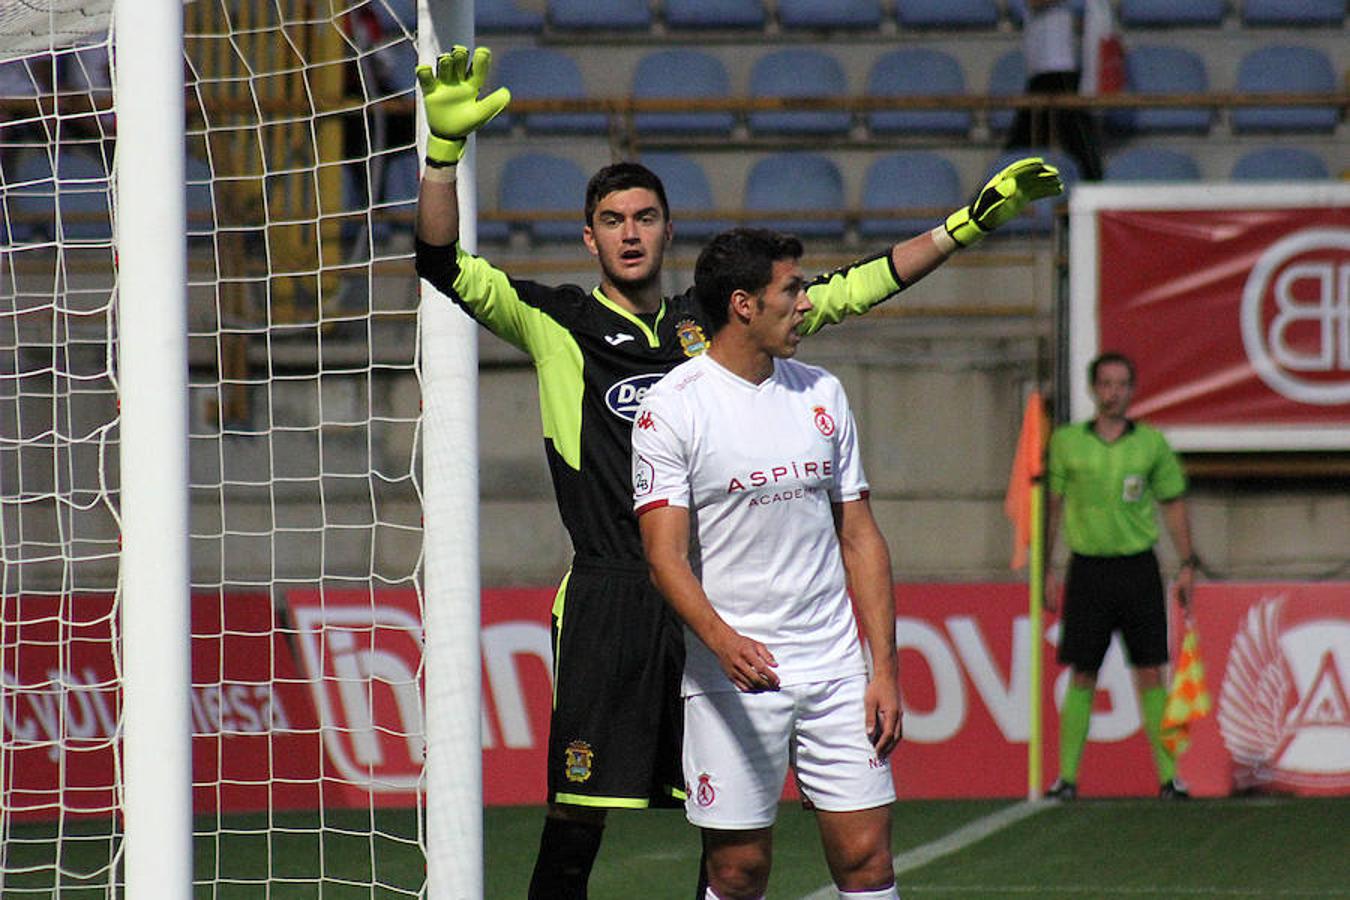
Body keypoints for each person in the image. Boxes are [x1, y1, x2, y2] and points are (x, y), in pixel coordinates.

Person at [411, 44, 1061, 897]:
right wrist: (442, 156)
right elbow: (440, 263)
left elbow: (856, 287)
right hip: (613, 593)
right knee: (576, 817)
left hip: (717, 606)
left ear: (669, 230)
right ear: (590, 236)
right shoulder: (555, 321)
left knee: (726, 840)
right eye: (614, 219)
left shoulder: (720, 325)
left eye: (646, 216)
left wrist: (964, 224)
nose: (632, 231)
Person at [632, 228, 903, 899]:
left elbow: (861, 537)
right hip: (734, 673)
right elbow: (664, 557)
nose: (807, 304)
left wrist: (884, 669)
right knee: (737, 869)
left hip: (836, 668)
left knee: (866, 857)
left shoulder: (822, 394)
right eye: (793, 289)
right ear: (744, 304)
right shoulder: (673, 406)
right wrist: (723, 643)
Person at [1044, 352, 1201, 801]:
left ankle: (1169, 778)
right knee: (1082, 672)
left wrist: (1188, 562)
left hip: (1137, 568)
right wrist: (1047, 568)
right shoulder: (1068, 443)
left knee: (1151, 670)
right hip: (1088, 568)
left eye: (1121, 385)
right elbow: (1052, 505)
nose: (1112, 393)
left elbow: (1173, 503)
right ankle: (1067, 778)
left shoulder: (1150, 444)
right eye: (1105, 384)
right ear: (1093, 390)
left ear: (1131, 391)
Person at [1006, 0, 1104, 181]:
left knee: (1078, 142)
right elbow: (1021, 7)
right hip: (1039, 69)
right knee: (1025, 141)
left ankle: (1095, 193)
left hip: (1064, 66)